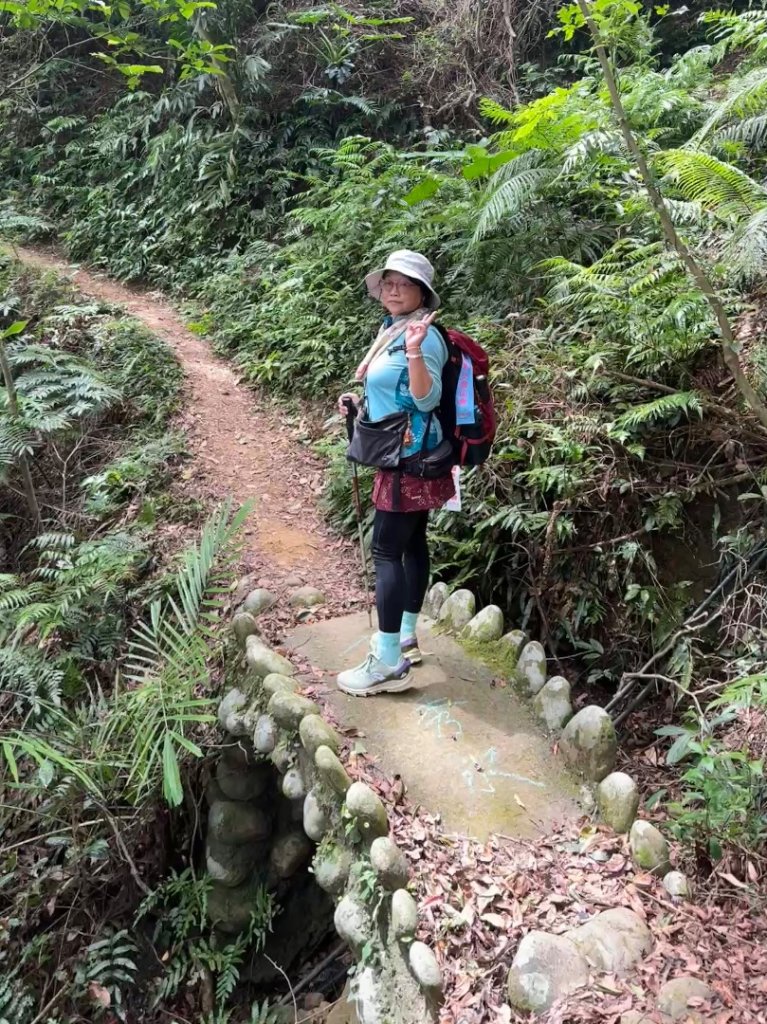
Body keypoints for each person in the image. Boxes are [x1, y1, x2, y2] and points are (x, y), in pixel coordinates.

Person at [336, 250, 455, 697]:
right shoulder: (392, 327)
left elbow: (425, 400)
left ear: (422, 291)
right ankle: (405, 636)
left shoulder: (424, 337)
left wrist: (413, 351)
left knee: (385, 551)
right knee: (411, 544)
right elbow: (394, 391)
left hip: (409, 458)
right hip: (400, 450)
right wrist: (358, 403)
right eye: (387, 281)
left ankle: (387, 662)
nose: (391, 288)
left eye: (403, 283)